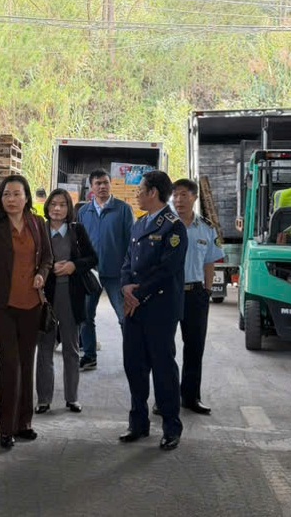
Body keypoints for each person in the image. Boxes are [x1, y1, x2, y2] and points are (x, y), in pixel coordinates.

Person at [0, 175, 53, 449]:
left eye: (16, 194)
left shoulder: (37, 223)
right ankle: (6, 427)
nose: (11, 199)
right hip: (2, 307)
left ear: (26, 197)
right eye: (6, 194)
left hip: (31, 305)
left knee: (26, 362)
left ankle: (24, 423)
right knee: (10, 364)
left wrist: (42, 274)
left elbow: (47, 257)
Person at [119, 171, 187, 451]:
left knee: (162, 369)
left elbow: (168, 269)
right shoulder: (140, 223)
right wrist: (126, 286)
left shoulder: (173, 227)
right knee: (134, 366)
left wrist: (138, 293)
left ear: (153, 193)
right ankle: (138, 423)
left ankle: (171, 427)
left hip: (159, 308)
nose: (137, 194)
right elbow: (127, 261)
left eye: (140, 190)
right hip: (134, 307)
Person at [35, 188, 98, 415]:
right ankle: (44, 399)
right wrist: (46, 270)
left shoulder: (76, 230)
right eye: (53, 204)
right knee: (45, 347)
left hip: (71, 296)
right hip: (45, 297)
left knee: (71, 348)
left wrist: (73, 266)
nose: (57, 209)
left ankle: (72, 398)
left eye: (62, 205)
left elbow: (92, 258)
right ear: (47, 206)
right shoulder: (39, 230)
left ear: (68, 208)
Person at [169, 179, 224, 414]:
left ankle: (191, 397)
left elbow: (210, 262)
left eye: (184, 195)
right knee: (165, 349)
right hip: (168, 294)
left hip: (195, 295)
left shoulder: (206, 228)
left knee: (194, 347)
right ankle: (165, 398)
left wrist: (207, 291)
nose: (179, 200)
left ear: (194, 198)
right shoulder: (165, 225)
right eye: (175, 195)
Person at [76, 168, 134, 371]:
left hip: (117, 274)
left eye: (105, 183)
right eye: (98, 183)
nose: (102, 187)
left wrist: (129, 271)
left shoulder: (123, 210)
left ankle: (132, 358)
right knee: (86, 317)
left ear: (110, 185)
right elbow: (78, 243)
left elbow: (131, 242)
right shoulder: (84, 212)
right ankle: (89, 356)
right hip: (90, 273)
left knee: (125, 317)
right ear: (91, 187)